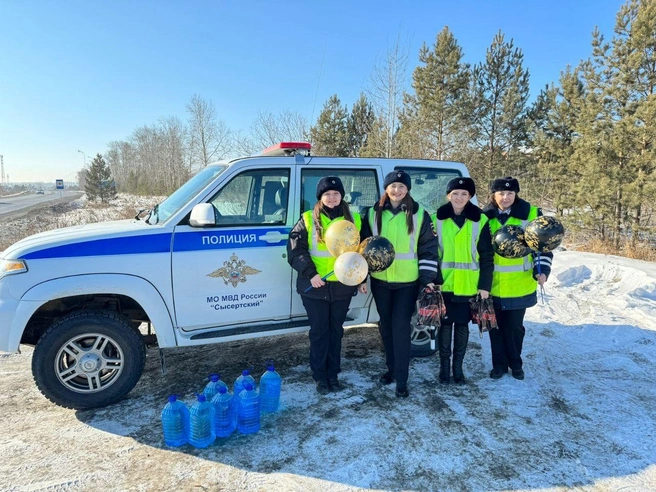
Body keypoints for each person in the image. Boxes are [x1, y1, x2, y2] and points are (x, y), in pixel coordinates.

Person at [360, 170, 440, 398]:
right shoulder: (372, 213)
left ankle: (402, 380)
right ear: (386, 188)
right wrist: (362, 278)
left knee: (401, 328)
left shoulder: (419, 214)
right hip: (381, 281)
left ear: (407, 190)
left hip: (407, 282)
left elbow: (428, 248)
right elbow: (363, 249)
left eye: (402, 187)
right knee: (385, 326)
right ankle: (391, 370)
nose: (397, 191)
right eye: (393, 186)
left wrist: (427, 280)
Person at [287, 177, 362, 394]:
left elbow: (361, 252)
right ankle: (320, 377)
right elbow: (295, 251)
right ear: (320, 197)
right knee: (319, 332)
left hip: (342, 286)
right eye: (327, 194)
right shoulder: (308, 219)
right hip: (315, 287)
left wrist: (361, 278)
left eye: (336, 193)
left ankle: (333, 375)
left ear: (342, 196)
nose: (332, 197)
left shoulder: (354, 219)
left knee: (336, 331)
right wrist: (311, 274)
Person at [483, 177, 552, 380]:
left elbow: (543, 247)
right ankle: (499, 366)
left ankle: (516, 363)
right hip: (493, 284)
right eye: (501, 194)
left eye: (510, 193)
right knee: (495, 328)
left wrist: (542, 270)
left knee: (514, 328)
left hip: (519, 284)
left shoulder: (531, 214)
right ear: (493, 195)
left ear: (516, 194)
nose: (505, 197)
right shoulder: (484, 217)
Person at [432, 177, 494, 384]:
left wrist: (485, 286)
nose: (459, 197)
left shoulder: (481, 220)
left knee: (462, 327)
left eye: (464, 194)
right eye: (455, 193)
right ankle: (444, 370)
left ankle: (458, 370)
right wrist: (433, 279)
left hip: (469, 285)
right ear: (448, 195)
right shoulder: (436, 219)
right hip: (444, 284)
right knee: (445, 326)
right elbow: (430, 254)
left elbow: (486, 256)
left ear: (470, 197)